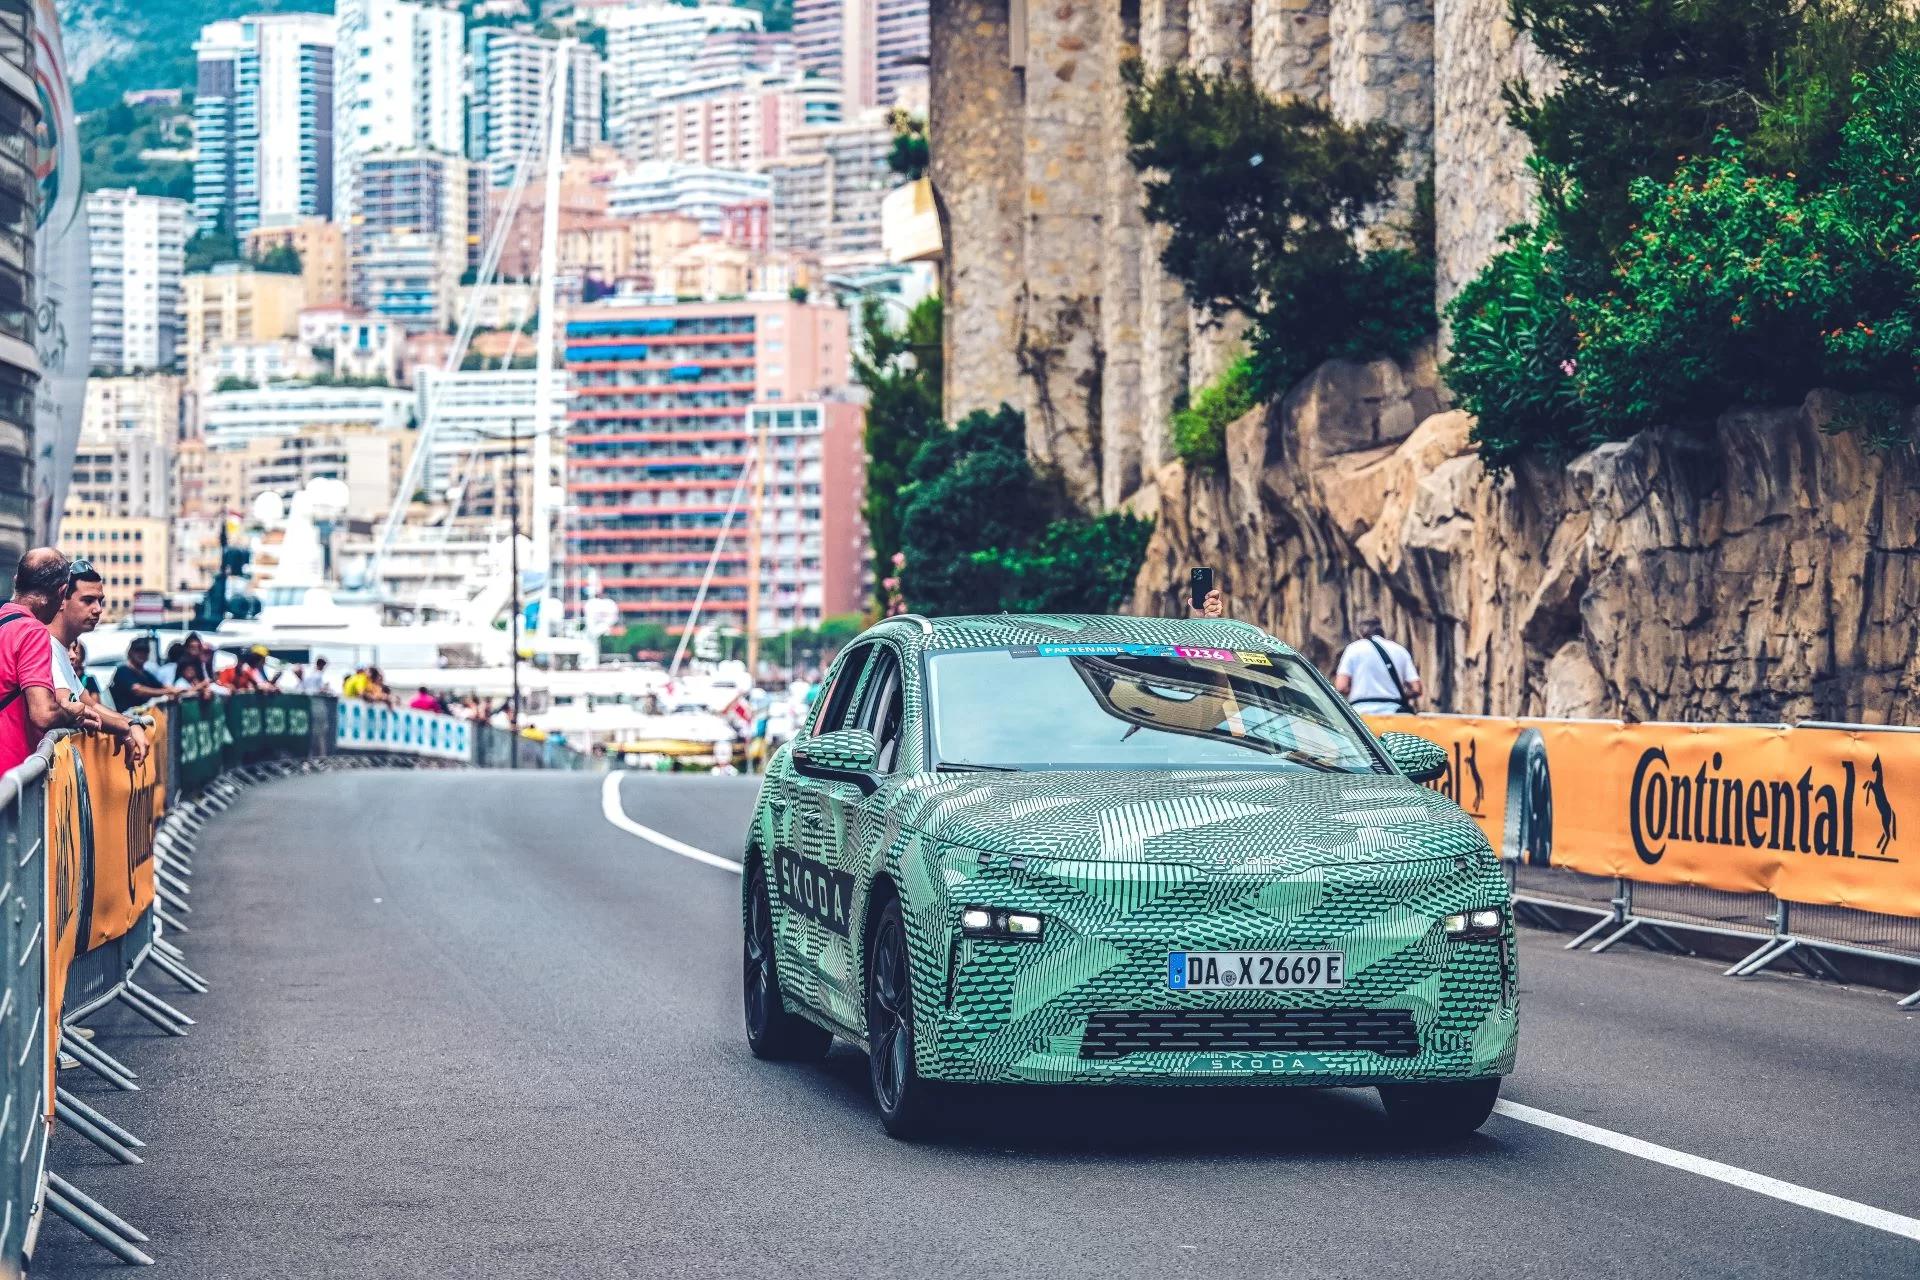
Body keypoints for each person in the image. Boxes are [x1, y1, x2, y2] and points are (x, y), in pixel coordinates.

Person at [0, 549, 98, 775]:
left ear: (17, 581)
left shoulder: (3, 620)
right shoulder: (32, 631)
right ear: (62, 591)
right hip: (13, 778)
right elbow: (43, 713)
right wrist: (73, 712)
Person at [49, 563, 149, 768]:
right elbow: (75, 709)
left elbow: (90, 704)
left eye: (100, 601)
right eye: (87, 600)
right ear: (61, 600)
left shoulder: (60, 649)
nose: (98, 609)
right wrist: (126, 726)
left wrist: (130, 723)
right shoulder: (46, 645)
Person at [1334, 615, 1424, 715]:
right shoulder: (1400, 650)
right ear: (1382, 631)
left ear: (1360, 632)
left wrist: (1358, 689)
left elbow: (1341, 686)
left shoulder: (1353, 649)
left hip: (1362, 713)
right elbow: (1416, 688)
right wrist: (1394, 695)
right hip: (1394, 713)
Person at [110, 637, 174, 712]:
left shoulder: (145, 673)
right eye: (138, 651)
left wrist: (178, 691)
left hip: (144, 714)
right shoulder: (122, 671)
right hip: (126, 715)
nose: (142, 654)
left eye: (145, 651)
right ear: (130, 652)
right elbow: (137, 689)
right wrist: (166, 692)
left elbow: (164, 686)